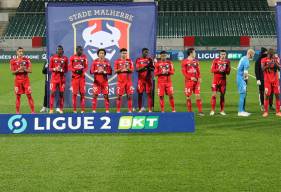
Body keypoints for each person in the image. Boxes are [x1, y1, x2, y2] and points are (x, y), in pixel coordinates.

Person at [10, 47, 35, 114]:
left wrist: (25, 69)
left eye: (22, 52)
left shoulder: (27, 60)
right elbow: (12, 72)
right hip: (17, 81)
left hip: (26, 80)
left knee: (29, 95)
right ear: (17, 52)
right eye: (19, 51)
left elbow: (30, 70)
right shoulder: (13, 61)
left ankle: (33, 112)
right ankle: (17, 112)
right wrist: (19, 69)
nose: (21, 53)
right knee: (18, 96)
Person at [181, 48, 203, 115]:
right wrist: (191, 78)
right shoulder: (184, 61)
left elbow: (198, 70)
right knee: (188, 96)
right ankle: (189, 111)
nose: (195, 54)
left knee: (198, 95)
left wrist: (199, 77)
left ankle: (200, 111)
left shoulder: (196, 61)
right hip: (188, 82)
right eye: (194, 52)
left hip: (196, 81)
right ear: (191, 53)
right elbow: (184, 72)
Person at [90, 49, 112, 113]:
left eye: (103, 53)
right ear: (98, 54)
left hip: (104, 82)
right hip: (96, 81)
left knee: (106, 96)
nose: (101, 54)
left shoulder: (107, 62)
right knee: (94, 95)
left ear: (104, 54)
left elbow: (110, 72)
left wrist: (104, 71)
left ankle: (107, 110)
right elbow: (91, 71)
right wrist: (97, 71)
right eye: (100, 53)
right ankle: (94, 110)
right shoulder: (94, 62)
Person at [261, 48, 281, 117]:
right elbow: (262, 69)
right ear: (268, 54)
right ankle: (265, 112)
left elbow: (279, 68)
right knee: (266, 96)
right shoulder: (264, 60)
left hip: (275, 80)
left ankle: (278, 111)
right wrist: (268, 65)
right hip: (267, 81)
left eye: (272, 55)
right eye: (270, 55)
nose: (271, 56)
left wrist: (276, 64)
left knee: (277, 95)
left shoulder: (276, 58)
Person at [210, 50, 231, 116]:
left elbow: (228, 72)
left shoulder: (227, 61)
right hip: (215, 81)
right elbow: (212, 70)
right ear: (219, 55)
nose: (223, 55)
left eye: (224, 54)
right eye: (222, 54)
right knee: (214, 95)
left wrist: (226, 70)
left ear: (225, 55)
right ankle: (212, 110)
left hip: (223, 82)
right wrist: (219, 70)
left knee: (222, 96)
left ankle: (222, 110)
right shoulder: (215, 60)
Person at [49, 45, 68, 114]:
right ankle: (51, 109)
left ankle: (61, 109)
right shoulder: (52, 58)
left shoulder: (65, 58)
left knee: (61, 94)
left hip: (62, 79)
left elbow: (66, 70)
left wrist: (62, 70)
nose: (59, 51)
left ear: (62, 51)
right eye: (58, 50)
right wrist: (55, 69)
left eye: (61, 50)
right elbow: (50, 68)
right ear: (56, 51)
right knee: (52, 93)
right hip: (54, 79)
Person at [114, 48, 134, 113]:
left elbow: (132, 70)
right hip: (120, 82)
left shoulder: (130, 61)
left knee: (129, 96)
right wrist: (121, 69)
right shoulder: (117, 61)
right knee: (119, 96)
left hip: (128, 82)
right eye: (123, 53)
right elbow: (115, 71)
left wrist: (127, 69)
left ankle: (130, 110)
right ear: (120, 53)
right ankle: (118, 111)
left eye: (125, 53)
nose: (124, 54)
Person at [69, 46, 88, 113]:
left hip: (82, 79)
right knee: (74, 94)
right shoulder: (72, 57)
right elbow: (70, 67)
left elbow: (86, 67)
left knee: (82, 94)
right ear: (76, 50)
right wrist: (75, 71)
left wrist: (82, 71)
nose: (80, 51)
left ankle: (82, 110)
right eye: (79, 50)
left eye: (81, 50)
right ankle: (74, 110)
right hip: (75, 79)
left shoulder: (84, 57)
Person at [236, 49, 255, 117]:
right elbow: (245, 73)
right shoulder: (246, 61)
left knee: (243, 94)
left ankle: (243, 110)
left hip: (239, 77)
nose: (253, 56)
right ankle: (240, 111)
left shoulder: (243, 58)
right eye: (253, 55)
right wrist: (246, 81)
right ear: (250, 54)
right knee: (242, 94)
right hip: (241, 79)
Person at [255, 47, 274, 111]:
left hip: (269, 79)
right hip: (262, 79)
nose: (266, 54)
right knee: (262, 92)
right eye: (265, 52)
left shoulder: (269, 59)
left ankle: (270, 105)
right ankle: (262, 105)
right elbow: (256, 70)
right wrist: (258, 79)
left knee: (271, 92)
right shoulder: (258, 60)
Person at [135, 48, 154, 112]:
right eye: (145, 52)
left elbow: (153, 68)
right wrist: (145, 67)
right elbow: (137, 70)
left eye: (147, 52)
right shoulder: (138, 60)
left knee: (149, 94)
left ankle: (150, 109)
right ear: (142, 52)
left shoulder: (150, 59)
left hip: (148, 80)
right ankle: (140, 109)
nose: (146, 53)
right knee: (140, 94)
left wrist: (149, 68)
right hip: (141, 80)